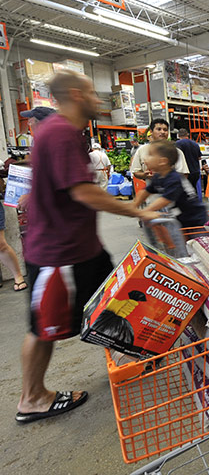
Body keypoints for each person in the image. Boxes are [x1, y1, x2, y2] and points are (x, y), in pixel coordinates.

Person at [16, 70, 158, 424]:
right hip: (58, 255)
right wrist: (134, 209)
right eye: (94, 94)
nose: (99, 101)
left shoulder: (66, 133)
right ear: (77, 95)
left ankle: (131, 358)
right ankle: (32, 398)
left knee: (113, 303)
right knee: (43, 328)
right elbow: (83, 191)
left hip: (83, 248)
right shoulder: (61, 132)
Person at [133, 140, 208, 229]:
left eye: (150, 155)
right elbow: (145, 191)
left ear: (162, 161)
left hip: (195, 219)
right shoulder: (158, 177)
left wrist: (145, 211)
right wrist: (134, 205)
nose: (145, 158)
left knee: (193, 241)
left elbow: (164, 200)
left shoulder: (174, 179)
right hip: (179, 217)